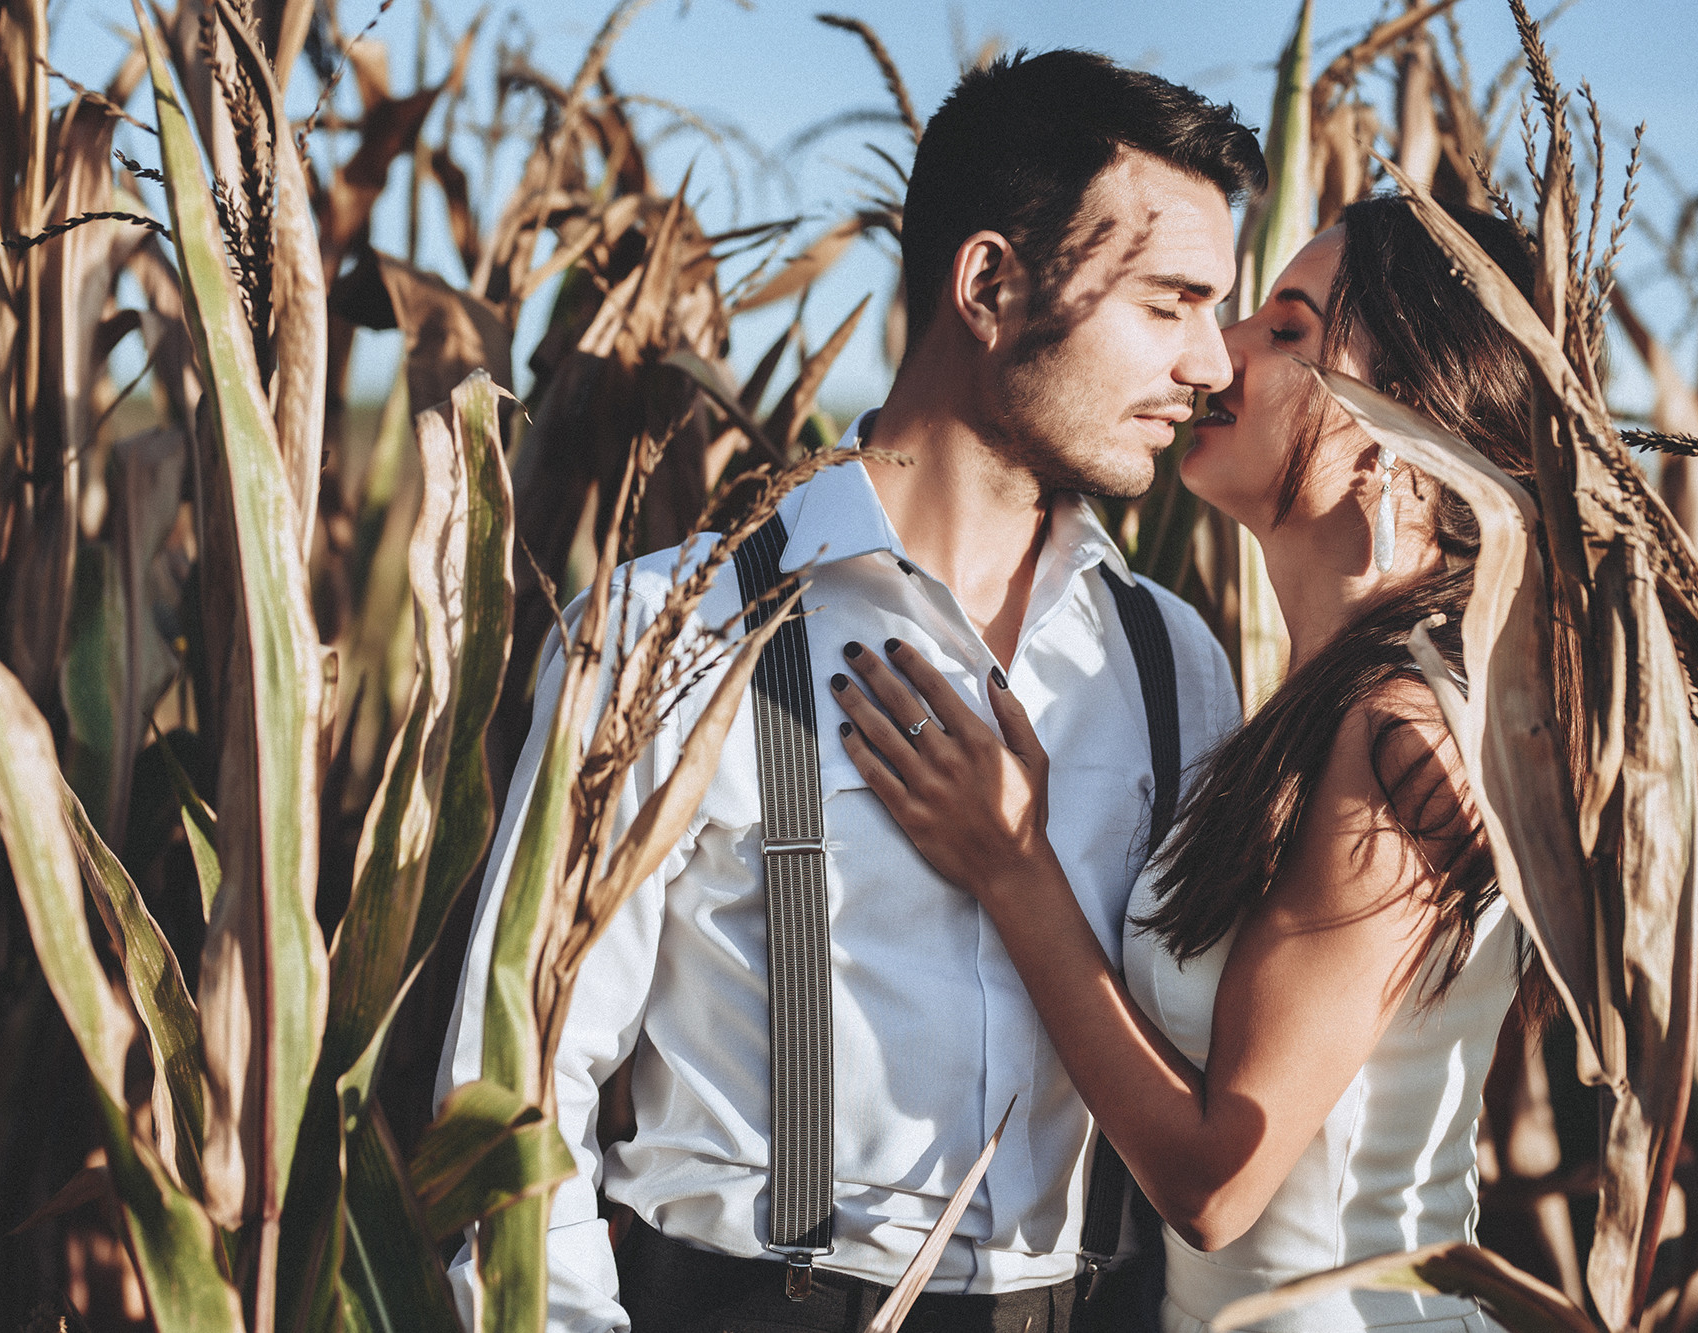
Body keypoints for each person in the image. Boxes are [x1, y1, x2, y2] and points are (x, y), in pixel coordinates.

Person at [438, 50, 1264, 1333]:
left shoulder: (1170, 662)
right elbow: (516, 1074)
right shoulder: (672, 626)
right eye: (1168, 303)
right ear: (989, 284)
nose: (1211, 362)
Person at [829, 195, 1554, 1332]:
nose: (1221, 353)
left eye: (1289, 330)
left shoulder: (1399, 732)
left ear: (1400, 423)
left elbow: (1219, 1183)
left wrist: (1012, 865)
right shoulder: (1305, 708)